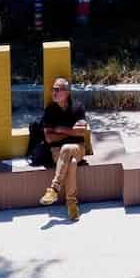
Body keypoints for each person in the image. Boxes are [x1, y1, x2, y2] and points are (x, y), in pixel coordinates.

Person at [34, 77, 90, 221]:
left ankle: (54, 189)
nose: (53, 92)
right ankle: (71, 202)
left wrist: (60, 130)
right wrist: (71, 131)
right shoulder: (50, 110)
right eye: (53, 89)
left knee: (67, 148)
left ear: (66, 92)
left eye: (57, 90)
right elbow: (49, 138)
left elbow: (82, 131)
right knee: (70, 162)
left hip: (78, 148)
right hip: (56, 152)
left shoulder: (78, 107)